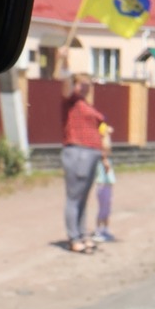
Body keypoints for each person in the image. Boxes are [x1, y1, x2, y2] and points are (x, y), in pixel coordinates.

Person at [61, 74, 110, 252]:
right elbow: (65, 83)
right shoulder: (71, 101)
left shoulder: (85, 104)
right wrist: (64, 63)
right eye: (82, 84)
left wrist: (104, 157)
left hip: (91, 154)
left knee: (83, 198)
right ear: (74, 85)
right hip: (78, 153)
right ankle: (74, 237)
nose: (86, 88)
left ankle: (82, 234)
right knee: (74, 198)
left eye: (89, 85)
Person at [93, 154, 118, 240]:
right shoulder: (100, 162)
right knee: (102, 210)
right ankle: (98, 231)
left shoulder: (108, 161)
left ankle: (105, 229)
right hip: (102, 186)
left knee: (107, 210)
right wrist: (106, 164)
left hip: (108, 186)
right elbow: (107, 171)